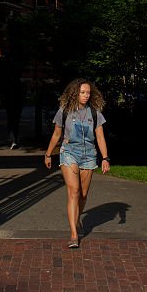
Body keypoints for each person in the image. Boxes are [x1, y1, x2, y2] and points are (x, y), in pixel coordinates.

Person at [44, 78, 110, 249]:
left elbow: (100, 137)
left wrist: (105, 158)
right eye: (82, 92)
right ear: (75, 93)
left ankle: (77, 217)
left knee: (83, 194)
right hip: (69, 153)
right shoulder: (64, 111)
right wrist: (48, 154)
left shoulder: (95, 113)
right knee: (74, 190)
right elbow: (57, 134)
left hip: (89, 155)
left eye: (88, 92)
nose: (86, 95)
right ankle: (74, 234)